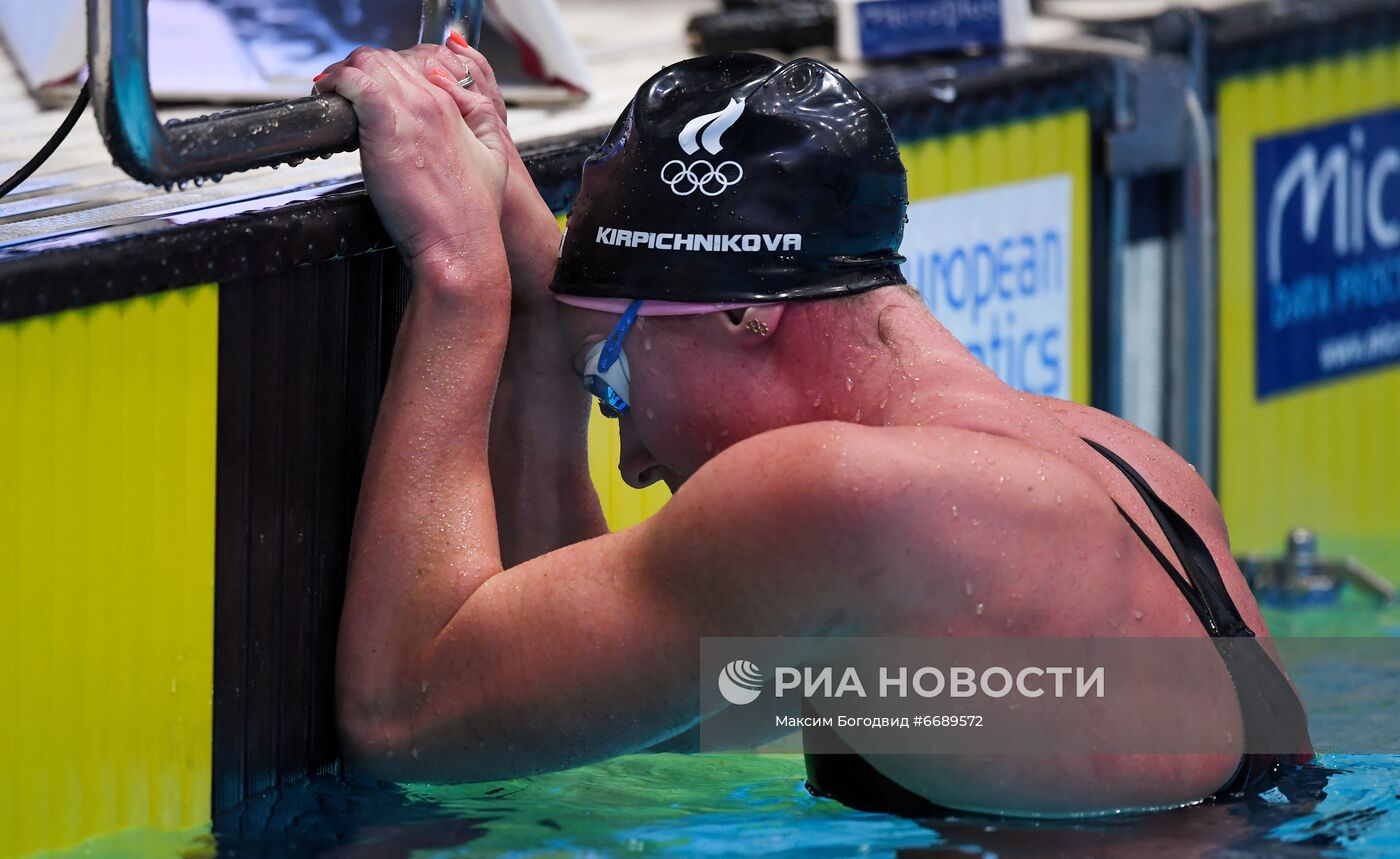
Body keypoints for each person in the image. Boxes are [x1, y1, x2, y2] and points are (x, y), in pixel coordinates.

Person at [316, 40, 1312, 817]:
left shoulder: (841, 497)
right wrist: (547, 324)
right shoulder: (1121, 461)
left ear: (749, 312)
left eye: (612, 382)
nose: (628, 455)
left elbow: (405, 712)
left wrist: (458, 281)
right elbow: (598, 706)